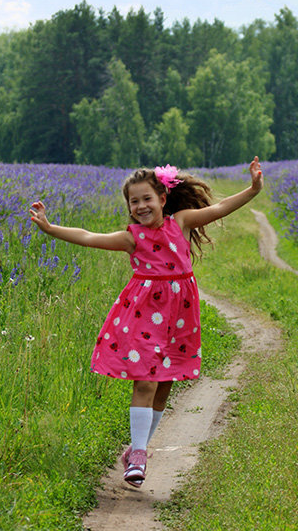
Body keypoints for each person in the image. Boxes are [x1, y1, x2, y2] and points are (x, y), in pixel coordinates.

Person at [28, 157, 263, 487]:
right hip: (142, 315)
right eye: (134, 201)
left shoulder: (180, 222)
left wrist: (253, 189)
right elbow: (87, 236)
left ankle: (137, 449)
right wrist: (50, 228)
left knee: (164, 385)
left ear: (162, 199)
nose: (140, 206)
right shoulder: (131, 238)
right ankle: (139, 453)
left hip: (180, 316)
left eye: (146, 199)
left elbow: (221, 207)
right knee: (146, 382)